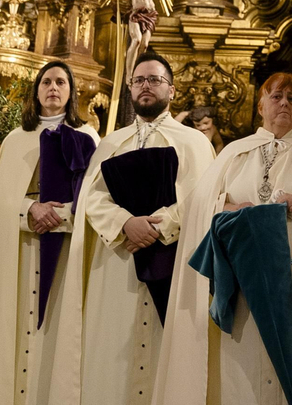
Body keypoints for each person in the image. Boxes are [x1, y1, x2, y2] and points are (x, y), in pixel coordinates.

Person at [155, 72, 292, 405]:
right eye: (276, 96)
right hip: (243, 286)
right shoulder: (234, 153)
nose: (284, 104)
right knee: (243, 375)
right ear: (261, 105)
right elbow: (199, 206)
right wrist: (232, 208)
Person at [0, 61, 97, 405]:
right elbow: (0, 198)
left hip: (64, 244)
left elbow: (94, 194)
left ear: (71, 91)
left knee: (56, 324)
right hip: (20, 246)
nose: (53, 88)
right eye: (46, 82)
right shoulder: (16, 139)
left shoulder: (88, 137)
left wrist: (58, 214)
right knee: (12, 323)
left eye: (61, 82)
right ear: (36, 90)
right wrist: (30, 209)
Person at [72, 54, 216, 404]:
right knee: (111, 357)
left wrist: (156, 227)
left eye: (154, 79)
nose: (145, 86)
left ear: (172, 90)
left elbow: (202, 198)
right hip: (117, 261)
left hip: (173, 258)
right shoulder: (111, 142)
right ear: (131, 88)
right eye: (138, 80)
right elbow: (92, 197)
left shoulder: (194, 142)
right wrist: (125, 223)